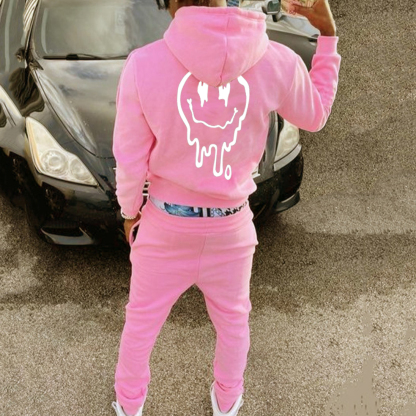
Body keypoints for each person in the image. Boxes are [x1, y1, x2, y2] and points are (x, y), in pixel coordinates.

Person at [111, 0, 340, 415]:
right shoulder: (276, 60)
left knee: (141, 323)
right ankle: (228, 401)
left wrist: (130, 212)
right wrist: (327, 36)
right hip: (231, 227)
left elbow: (130, 159)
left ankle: (129, 406)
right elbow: (316, 115)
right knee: (233, 324)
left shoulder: (143, 64)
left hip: (166, 223)